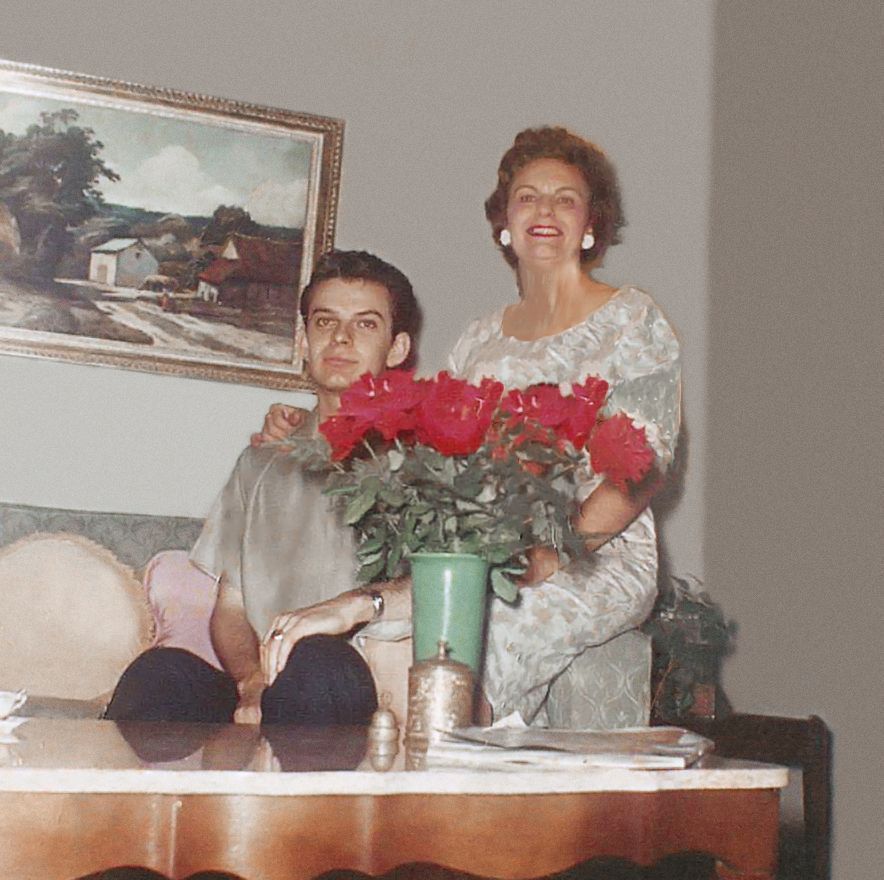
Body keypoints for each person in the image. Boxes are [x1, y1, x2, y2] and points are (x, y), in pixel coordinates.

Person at [254, 127, 681, 726]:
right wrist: (313, 426)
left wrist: (548, 554)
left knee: (465, 642)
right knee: (362, 640)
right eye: (528, 195)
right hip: (477, 550)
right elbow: (425, 447)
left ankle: (455, 793)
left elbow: (643, 469)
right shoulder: (479, 337)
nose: (545, 210)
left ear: (591, 225)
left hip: (592, 556)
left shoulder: (633, 320)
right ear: (504, 222)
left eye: (566, 198)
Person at [105, 250, 420, 726]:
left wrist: (351, 607)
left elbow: (441, 586)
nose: (340, 337)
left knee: (317, 661)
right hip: (260, 682)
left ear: (396, 349)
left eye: (366, 325)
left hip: (361, 682)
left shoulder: (425, 466)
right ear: (304, 340)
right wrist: (251, 681)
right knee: (159, 674)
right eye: (325, 321)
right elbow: (230, 607)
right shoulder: (259, 463)